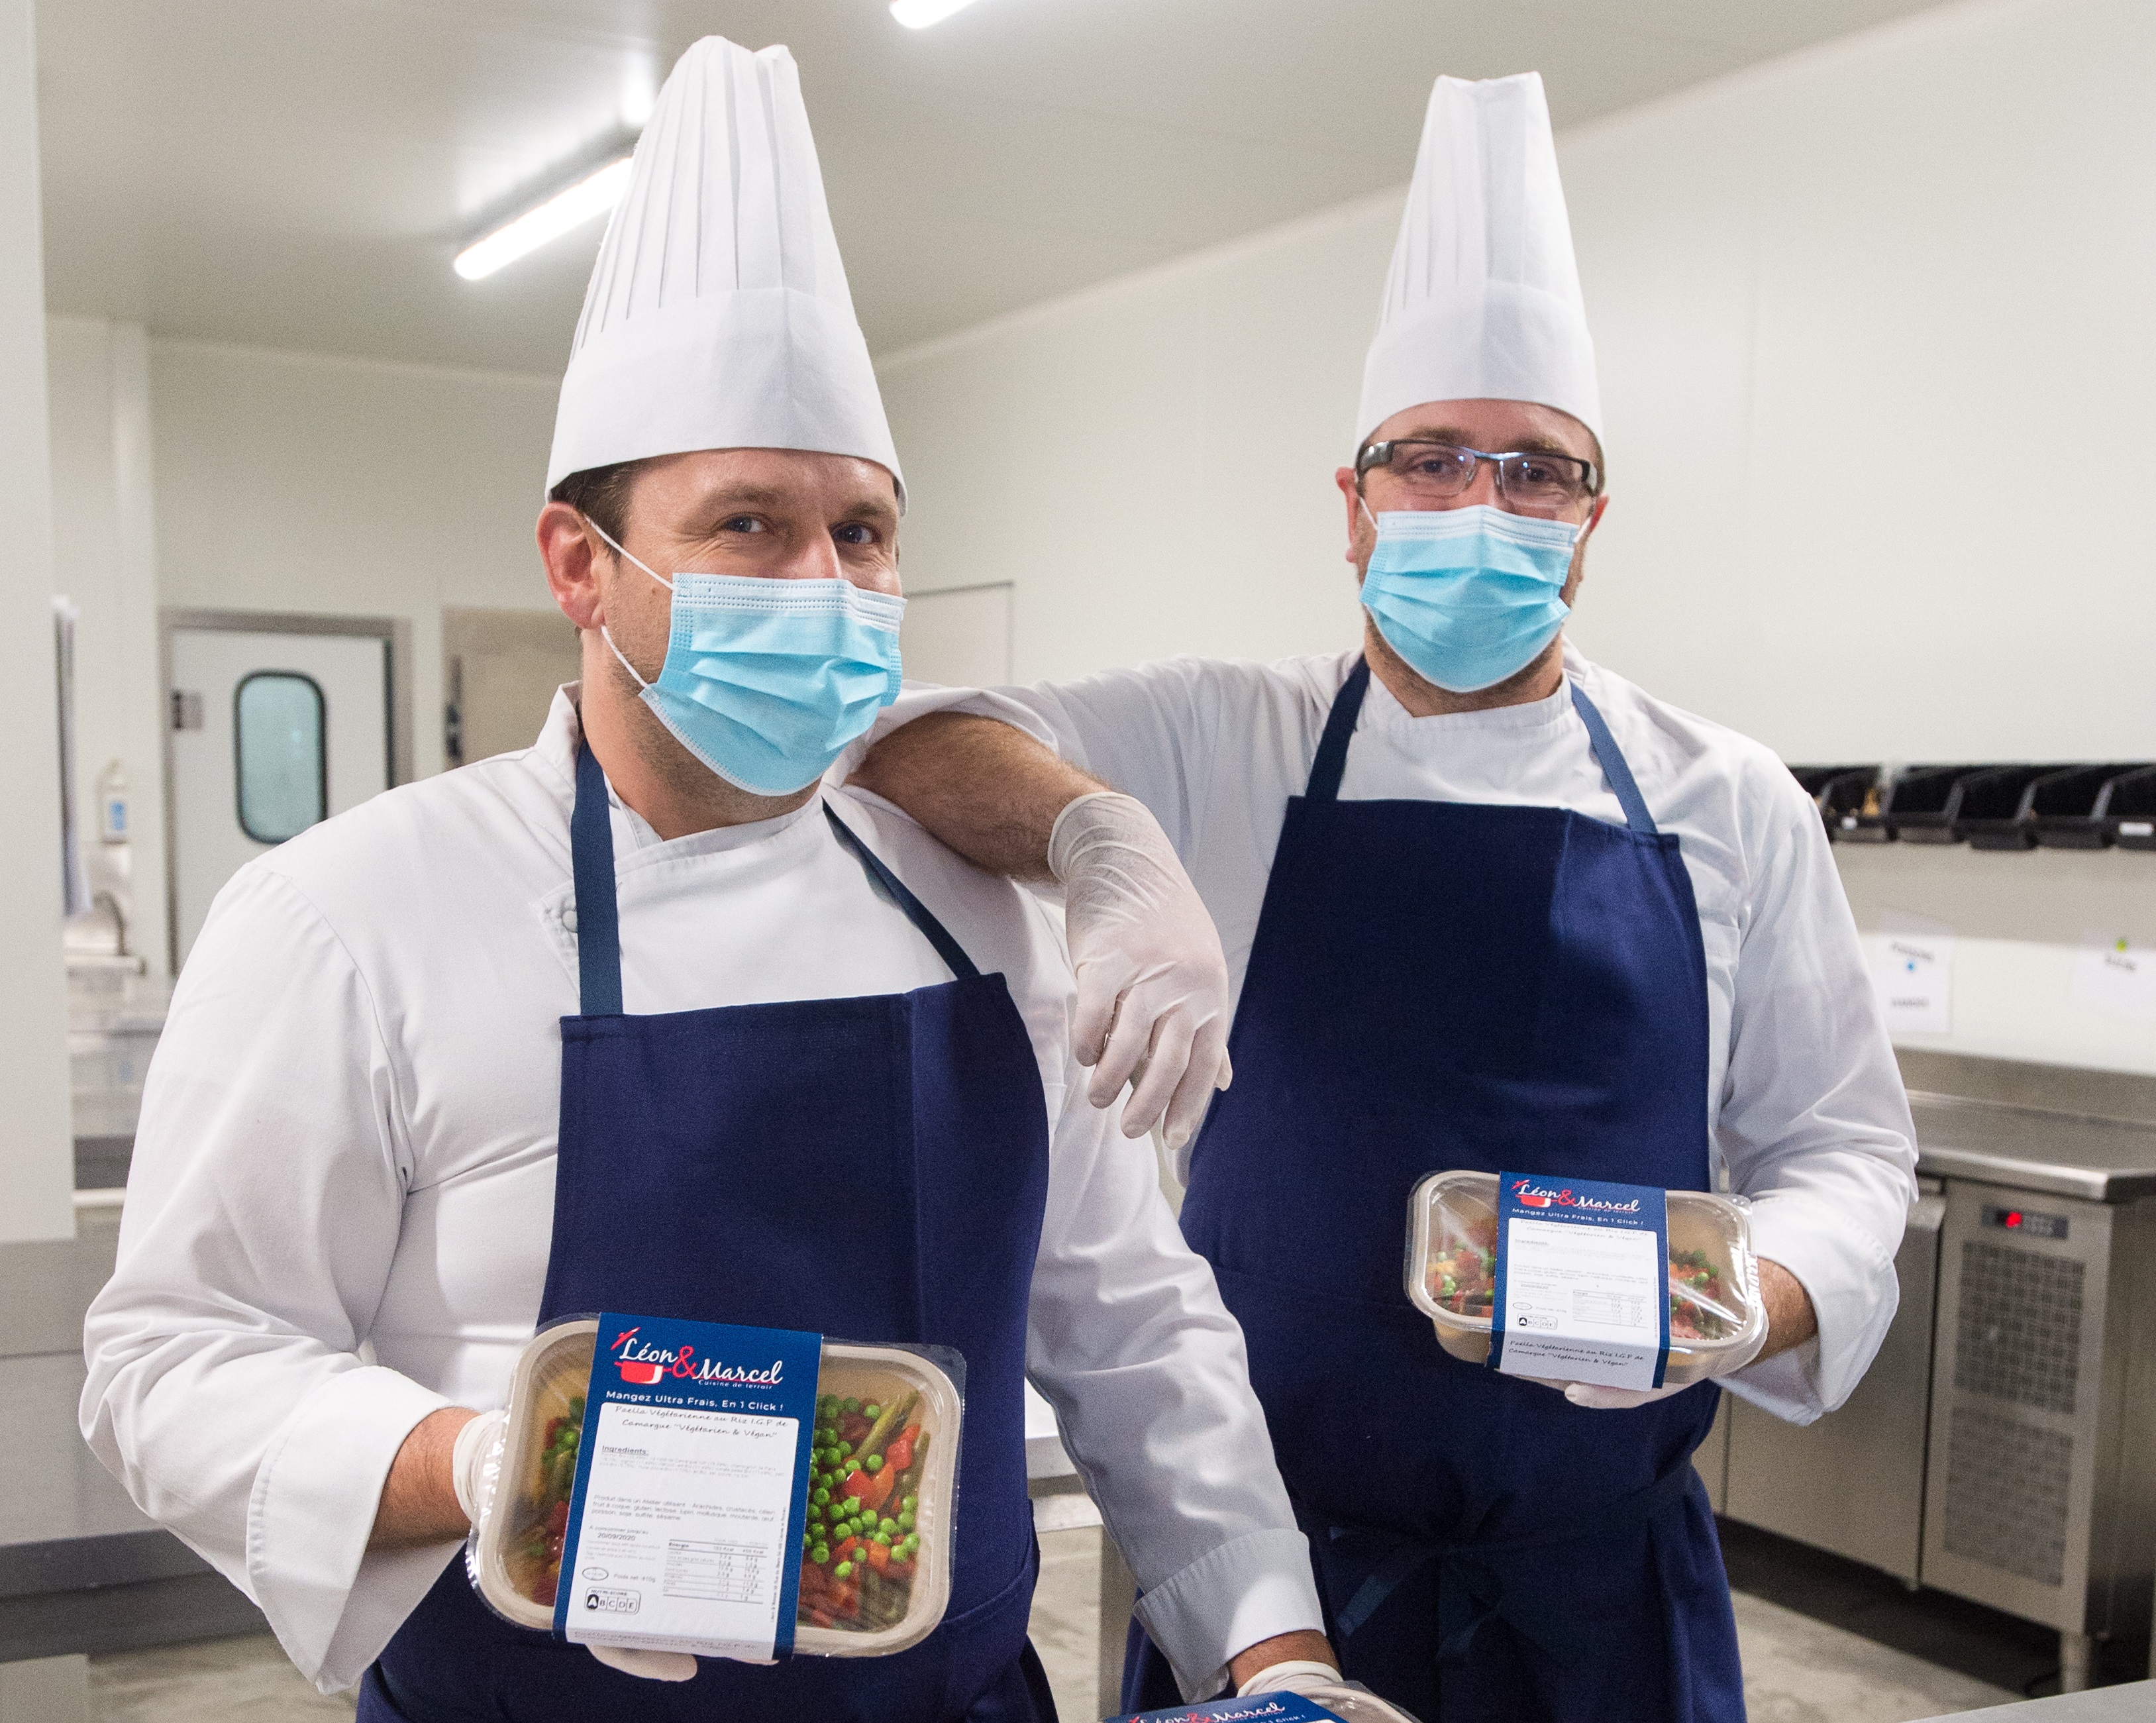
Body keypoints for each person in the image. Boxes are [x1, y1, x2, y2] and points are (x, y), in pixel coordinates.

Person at [79, 37, 1415, 1723]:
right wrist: (490, 1466)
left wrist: (1271, 1642)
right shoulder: (353, 917)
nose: (824, 579)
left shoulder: (962, 903)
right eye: (750, 527)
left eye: (860, 532)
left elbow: (1129, 1320)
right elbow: (171, 1358)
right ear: (582, 561)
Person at [852, 72, 1919, 1723]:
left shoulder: (1728, 802)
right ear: (1349, 510)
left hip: (1600, 1590)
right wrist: (1100, 843)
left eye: (1533, 473)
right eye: (1426, 462)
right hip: (1273, 1574)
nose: (1477, 505)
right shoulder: (1231, 735)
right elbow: (910, 742)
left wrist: (1732, 1300)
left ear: (1588, 526)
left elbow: (1841, 1151)